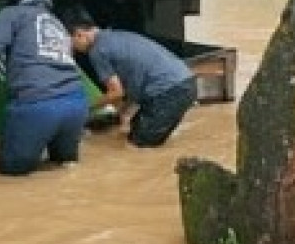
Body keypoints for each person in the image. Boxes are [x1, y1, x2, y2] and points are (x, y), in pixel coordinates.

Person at [0, 0, 88, 176]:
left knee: (9, 175)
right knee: (63, 168)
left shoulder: (11, 14)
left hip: (36, 104)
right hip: (76, 103)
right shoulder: (57, 23)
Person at [63, 11, 196, 148]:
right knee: (135, 130)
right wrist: (123, 113)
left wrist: (86, 107)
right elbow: (133, 80)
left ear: (79, 34)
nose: (75, 50)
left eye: (72, 44)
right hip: (185, 81)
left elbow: (116, 92)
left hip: (169, 91)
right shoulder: (116, 36)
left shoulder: (97, 51)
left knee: (135, 146)